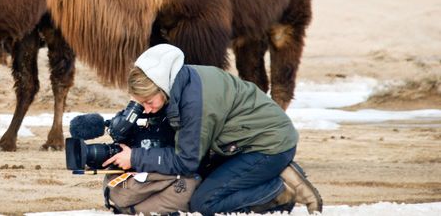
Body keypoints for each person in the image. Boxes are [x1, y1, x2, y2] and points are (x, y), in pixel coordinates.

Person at [103, 43, 323, 215]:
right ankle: (275, 173)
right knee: (202, 181)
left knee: (206, 202)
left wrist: (136, 157)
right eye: (141, 104)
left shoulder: (193, 103)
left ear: (163, 87)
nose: (147, 110)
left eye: (149, 102)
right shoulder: (180, 82)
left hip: (269, 146)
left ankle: (280, 191)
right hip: (244, 141)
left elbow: (187, 162)